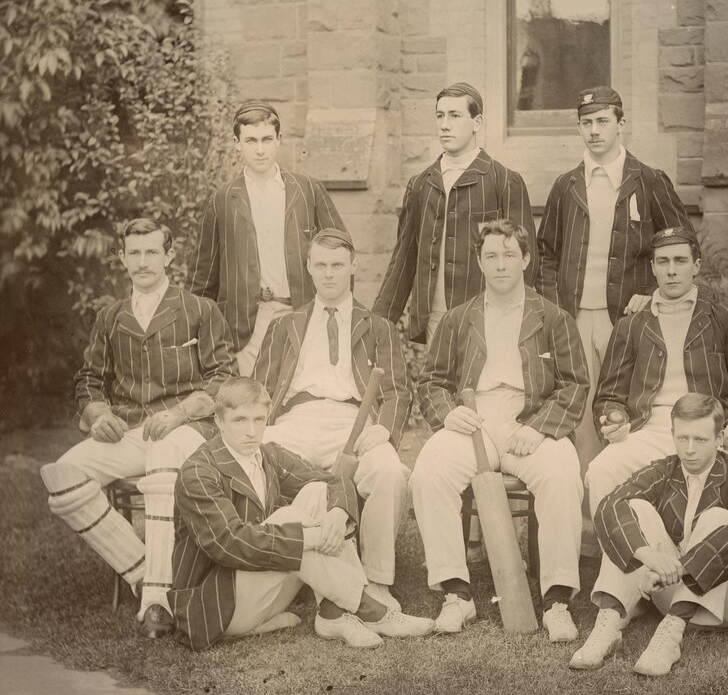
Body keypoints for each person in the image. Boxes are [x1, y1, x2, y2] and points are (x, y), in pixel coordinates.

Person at [40, 218, 237, 639]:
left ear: (169, 256)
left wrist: (180, 413)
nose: (143, 261)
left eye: (152, 252)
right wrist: (97, 415)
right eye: (135, 253)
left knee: (164, 451)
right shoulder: (111, 316)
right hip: (130, 428)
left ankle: (156, 601)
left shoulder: (200, 309)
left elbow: (223, 377)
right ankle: (144, 570)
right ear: (123, 258)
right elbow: (89, 378)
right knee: (60, 476)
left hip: (187, 429)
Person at [409, 219, 589, 641]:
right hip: (473, 417)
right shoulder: (458, 318)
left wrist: (542, 428)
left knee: (562, 475)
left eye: (509, 255)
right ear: (479, 261)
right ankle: (457, 593)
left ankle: (557, 599)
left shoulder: (553, 317)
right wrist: (447, 414)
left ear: (525, 259)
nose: (501, 264)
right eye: (491, 256)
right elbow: (432, 380)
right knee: (428, 473)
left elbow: (576, 384)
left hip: (530, 416)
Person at [536, 85, 693, 545]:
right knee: (581, 419)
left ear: (621, 124)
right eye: (586, 123)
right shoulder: (567, 185)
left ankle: (637, 519)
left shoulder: (648, 180)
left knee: (624, 414)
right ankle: (589, 531)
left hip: (626, 320)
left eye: (603, 121)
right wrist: (553, 308)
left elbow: (679, 242)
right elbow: (547, 252)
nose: (594, 131)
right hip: (573, 320)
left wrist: (649, 290)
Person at [169, 377, 434, 651]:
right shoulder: (198, 472)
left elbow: (335, 482)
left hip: (264, 589)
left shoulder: (267, 455)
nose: (251, 431)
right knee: (287, 521)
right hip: (216, 606)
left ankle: (334, 614)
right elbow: (231, 543)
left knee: (318, 491)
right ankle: (371, 610)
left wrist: (338, 514)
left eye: (259, 420)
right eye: (240, 420)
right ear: (219, 421)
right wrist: (314, 538)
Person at [252, 228, 411, 610]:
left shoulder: (378, 327)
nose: (329, 274)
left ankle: (376, 581)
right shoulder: (284, 325)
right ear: (308, 267)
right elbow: (260, 387)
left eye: (337, 265)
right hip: (296, 420)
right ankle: (267, 573)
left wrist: (383, 429)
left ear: (353, 266)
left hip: (352, 422)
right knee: (254, 463)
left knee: (388, 470)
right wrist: (259, 428)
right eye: (320, 265)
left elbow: (398, 392)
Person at [587, 226, 728, 526]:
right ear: (652, 268)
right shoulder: (632, 325)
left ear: (696, 266)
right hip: (649, 429)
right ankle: (621, 567)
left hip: (713, 431)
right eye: (663, 262)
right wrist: (614, 419)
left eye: (680, 261)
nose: (672, 271)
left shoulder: (726, 319)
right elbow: (609, 396)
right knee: (601, 470)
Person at [571, 393, 728, 675]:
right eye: (682, 438)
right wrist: (646, 554)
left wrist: (679, 568)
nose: (689, 449)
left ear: (719, 439)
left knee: (719, 517)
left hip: (727, 605)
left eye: (700, 440)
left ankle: (671, 636)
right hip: (671, 592)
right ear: (672, 435)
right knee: (633, 508)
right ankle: (609, 624)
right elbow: (609, 506)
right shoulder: (665, 469)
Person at [187, 100, 348, 375]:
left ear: (279, 140)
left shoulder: (306, 189)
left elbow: (342, 253)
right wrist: (196, 330)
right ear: (237, 143)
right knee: (250, 400)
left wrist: (339, 313)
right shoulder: (224, 199)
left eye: (266, 139)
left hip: (301, 312)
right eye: (250, 141)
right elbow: (204, 277)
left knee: (301, 394)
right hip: (247, 322)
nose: (260, 150)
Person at [373, 83, 537, 346]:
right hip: (434, 318)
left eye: (455, 115)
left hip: (489, 317)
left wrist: (518, 320)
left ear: (477, 122)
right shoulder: (421, 184)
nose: (444, 125)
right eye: (440, 116)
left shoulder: (504, 181)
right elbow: (404, 257)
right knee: (438, 386)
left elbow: (526, 263)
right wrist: (379, 322)